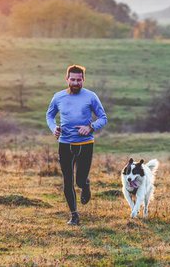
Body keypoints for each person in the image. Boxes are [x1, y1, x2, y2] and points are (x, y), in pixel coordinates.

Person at [46, 64, 108, 225]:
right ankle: (74, 215)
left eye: (79, 80)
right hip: (65, 143)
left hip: (85, 144)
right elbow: (50, 116)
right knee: (68, 180)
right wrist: (54, 128)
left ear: (83, 80)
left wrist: (91, 127)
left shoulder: (91, 96)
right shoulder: (58, 97)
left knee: (80, 180)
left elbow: (103, 118)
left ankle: (85, 185)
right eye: (72, 79)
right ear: (67, 79)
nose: (75, 83)